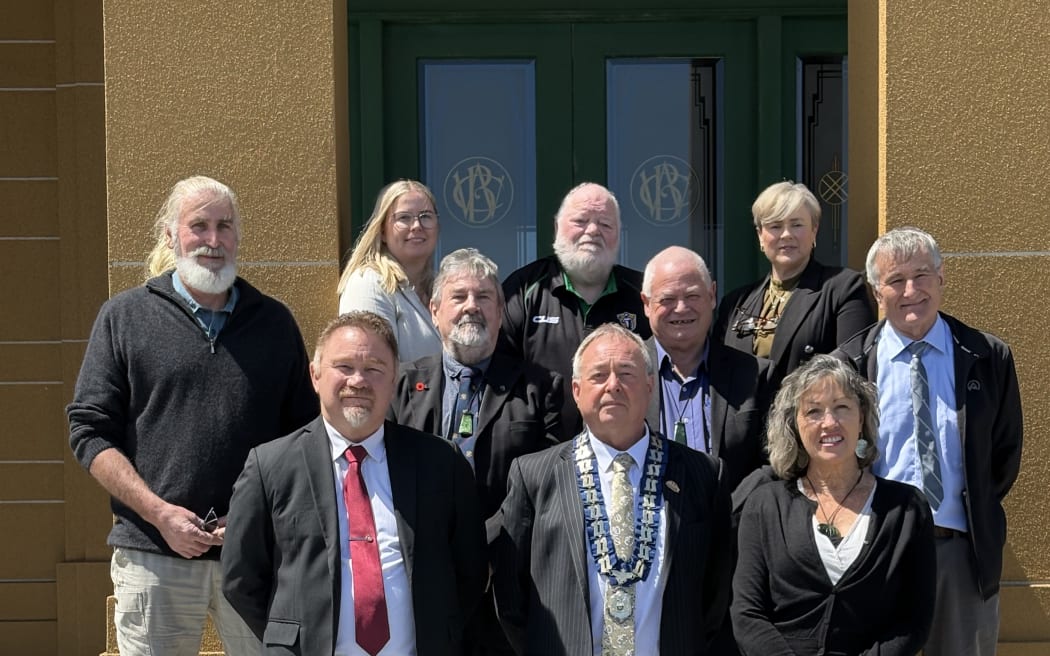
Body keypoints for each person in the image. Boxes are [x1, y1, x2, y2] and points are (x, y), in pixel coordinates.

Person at [67, 175, 319, 656]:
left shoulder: (274, 323)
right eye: (198, 225)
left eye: (224, 226)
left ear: (238, 238)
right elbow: (89, 431)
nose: (212, 240)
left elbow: (304, 438)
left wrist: (251, 516)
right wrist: (159, 514)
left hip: (257, 555)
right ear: (170, 235)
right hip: (152, 553)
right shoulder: (124, 317)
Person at [222, 312, 488, 655]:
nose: (358, 381)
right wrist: (290, 637)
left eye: (375, 369)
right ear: (315, 376)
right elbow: (240, 578)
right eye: (344, 367)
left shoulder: (441, 463)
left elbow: (470, 571)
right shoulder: (270, 466)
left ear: (393, 381)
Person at [833, 227, 1023, 656]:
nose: (911, 291)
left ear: (942, 279)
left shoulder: (987, 356)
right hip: (876, 551)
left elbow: (1004, 455)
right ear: (876, 291)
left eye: (922, 275)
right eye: (896, 280)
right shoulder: (850, 364)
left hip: (960, 552)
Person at [494, 323, 731, 656]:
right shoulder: (534, 475)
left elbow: (715, 594)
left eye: (626, 373)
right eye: (598, 376)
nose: (613, 386)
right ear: (576, 391)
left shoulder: (702, 475)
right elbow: (510, 598)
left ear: (650, 386)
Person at [389, 247, 564, 655]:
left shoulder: (541, 389)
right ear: (434, 311)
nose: (472, 306)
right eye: (459, 296)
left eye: (484, 297)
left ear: (501, 313)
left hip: (508, 582)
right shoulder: (400, 387)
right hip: (422, 582)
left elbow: (548, 483)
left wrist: (480, 543)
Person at [732, 355, 936, 655]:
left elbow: (914, 620)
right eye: (813, 412)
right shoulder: (765, 505)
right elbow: (747, 613)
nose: (830, 423)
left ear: (862, 418)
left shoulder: (906, 509)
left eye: (842, 407)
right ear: (795, 425)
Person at [501, 182, 651, 435]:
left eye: (605, 224)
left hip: (622, 450)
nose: (593, 230)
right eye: (581, 221)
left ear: (618, 234)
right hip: (542, 451)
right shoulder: (524, 288)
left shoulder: (641, 294)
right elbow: (500, 374)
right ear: (557, 227)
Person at [714, 180, 874, 389]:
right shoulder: (734, 303)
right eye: (775, 226)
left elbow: (853, 369)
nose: (786, 234)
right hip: (744, 421)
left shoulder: (843, 288)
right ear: (760, 236)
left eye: (797, 225)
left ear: (814, 231)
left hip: (805, 417)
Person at [641, 246, 772, 493]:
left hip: (730, 525)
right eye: (667, 299)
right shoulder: (624, 376)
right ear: (646, 304)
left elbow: (772, 464)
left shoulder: (756, 375)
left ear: (712, 295)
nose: (681, 308)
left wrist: (727, 512)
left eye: (692, 296)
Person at [338, 179, 442, 362]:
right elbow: (372, 367)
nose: (417, 226)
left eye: (425, 216)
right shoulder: (369, 284)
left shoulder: (439, 287)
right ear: (383, 231)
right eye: (404, 218)